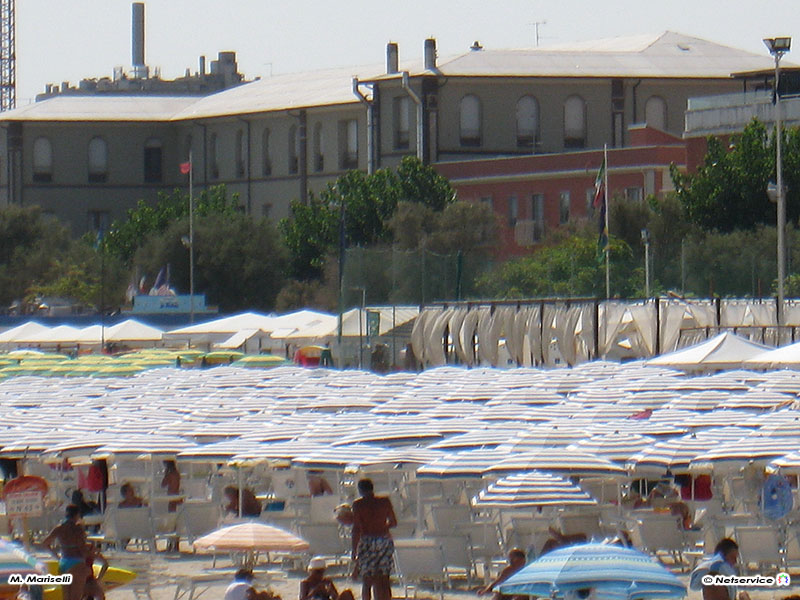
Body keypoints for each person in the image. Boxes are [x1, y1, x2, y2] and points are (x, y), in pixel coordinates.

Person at [351, 478, 397, 600]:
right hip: (383, 540)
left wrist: (354, 551)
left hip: (367, 541)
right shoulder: (385, 502)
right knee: (384, 579)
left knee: (367, 580)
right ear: (372, 488)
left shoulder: (358, 505)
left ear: (360, 490)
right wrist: (382, 527)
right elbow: (393, 522)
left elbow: (356, 529)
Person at [42, 505, 91, 600]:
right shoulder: (78, 529)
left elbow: (45, 543)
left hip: (64, 563)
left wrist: (57, 556)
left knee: (66, 597)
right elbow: (82, 549)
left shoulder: (59, 528)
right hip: (77, 563)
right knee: (75, 597)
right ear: (77, 515)